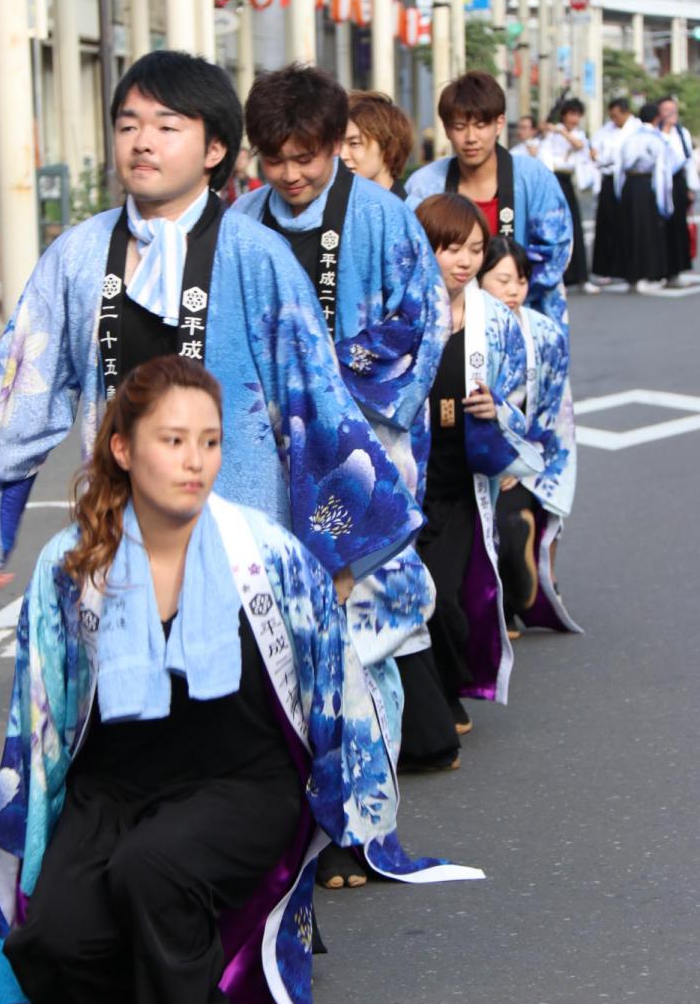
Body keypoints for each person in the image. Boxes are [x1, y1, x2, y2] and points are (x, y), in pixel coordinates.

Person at [0, 356, 482, 1004]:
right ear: (122, 448)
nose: (194, 461)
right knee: (48, 941)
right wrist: (30, 820)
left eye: (209, 443)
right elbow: (40, 711)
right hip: (114, 787)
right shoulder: (72, 563)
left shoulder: (264, 552)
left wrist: (346, 805)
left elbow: (332, 674)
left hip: (241, 783)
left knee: (152, 868)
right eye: (172, 441)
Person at [0, 51, 421, 610]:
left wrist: (336, 555)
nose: (142, 141)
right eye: (128, 125)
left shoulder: (257, 257)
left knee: (231, 694)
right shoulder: (76, 257)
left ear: (215, 149)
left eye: (167, 127)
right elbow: (22, 393)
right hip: (113, 541)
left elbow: (314, 403)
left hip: (241, 549)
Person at [235, 64, 460, 822]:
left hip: (365, 450)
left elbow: (416, 327)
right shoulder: (242, 222)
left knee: (368, 629)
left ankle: (364, 811)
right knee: (282, 629)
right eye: (275, 159)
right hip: (268, 456)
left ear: (338, 144)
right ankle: (297, 806)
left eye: (307, 156)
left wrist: (321, 387)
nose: (291, 175)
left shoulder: (384, 218)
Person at [414, 194, 543, 729]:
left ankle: (454, 687)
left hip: (464, 482)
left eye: (473, 249)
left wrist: (499, 409)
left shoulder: (496, 321)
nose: (464, 261)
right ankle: (436, 703)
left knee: (447, 596)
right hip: (409, 480)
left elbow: (521, 397)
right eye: (450, 248)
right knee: (415, 595)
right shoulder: (399, 310)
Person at [406, 71, 573, 332]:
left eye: (481, 125)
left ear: (500, 123)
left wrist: (499, 291)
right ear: (447, 129)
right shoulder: (423, 185)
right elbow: (412, 258)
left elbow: (555, 253)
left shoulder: (534, 177)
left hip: (527, 318)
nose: (471, 138)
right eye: (460, 127)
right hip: (449, 324)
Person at [478, 237, 580, 636]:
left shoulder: (545, 333)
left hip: (523, 455)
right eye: (502, 279)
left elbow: (550, 411)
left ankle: (514, 602)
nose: (513, 289)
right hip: (469, 455)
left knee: (511, 520)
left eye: (520, 280)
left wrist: (516, 462)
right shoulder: (462, 326)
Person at [537, 98, 599, 294]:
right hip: (552, 180)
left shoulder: (575, 133)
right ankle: (557, 277)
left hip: (568, 182)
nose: (574, 119)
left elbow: (580, 145)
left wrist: (560, 130)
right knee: (552, 228)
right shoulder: (551, 134)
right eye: (571, 114)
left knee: (574, 229)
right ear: (564, 115)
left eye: (577, 115)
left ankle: (581, 277)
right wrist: (546, 131)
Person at [616, 103, 673, 294]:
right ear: (657, 118)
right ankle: (646, 275)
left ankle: (632, 276)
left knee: (630, 230)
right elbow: (662, 171)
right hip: (646, 187)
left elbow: (620, 168)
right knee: (646, 233)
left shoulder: (629, 137)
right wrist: (664, 200)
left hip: (628, 187)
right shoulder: (656, 139)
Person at [590, 97, 641, 283]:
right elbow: (595, 151)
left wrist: (603, 158)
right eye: (611, 116)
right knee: (606, 224)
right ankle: (606, 268)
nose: (614, 120)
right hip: (608, 179)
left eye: (616, 116)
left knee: (627, 225)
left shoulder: (637, 129)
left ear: (626, 112)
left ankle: (628, 267)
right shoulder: (606, 130)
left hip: (628, 181)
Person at [656, 95, 699, 286]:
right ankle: (661, 270)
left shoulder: (682, 133)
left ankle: (678, 270)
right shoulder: (655, 133)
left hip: (678, 183)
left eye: (673, 110)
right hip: (660, 183)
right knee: (661, 228)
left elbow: (688, 161)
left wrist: (692, 188)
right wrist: (664, 129)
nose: (671, 114)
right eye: (666, 111)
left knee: (679, 227)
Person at [342, 89, 415, 199]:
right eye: (337, 144)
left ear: (389, 147)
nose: (342, 155)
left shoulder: (413, 213)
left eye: (354, 144)